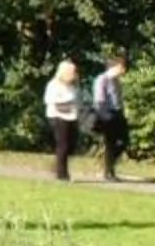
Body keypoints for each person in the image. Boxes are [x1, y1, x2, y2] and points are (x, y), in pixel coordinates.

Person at [90, 51, 130, 182]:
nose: (123, 70)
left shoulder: (117, 81)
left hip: (118, 113)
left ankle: (110, 163)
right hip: (107, 113)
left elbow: (119, 99)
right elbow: (99, 100)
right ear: (115, 67)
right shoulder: (102, 80)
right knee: (110, 143)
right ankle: (109, 172)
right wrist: (106, 116)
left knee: (123, 141)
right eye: (122, 67)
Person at [42, 58, 84, 182]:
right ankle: (62, 174)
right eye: (71, 71)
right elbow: (49, 100)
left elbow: (79, 98)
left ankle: (57, 166)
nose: (74, 74)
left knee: (71, 144)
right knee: (63, 145)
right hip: (58, 116)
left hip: (72, 116)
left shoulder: (73, 85)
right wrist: (67, 101)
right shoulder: (54, 84)